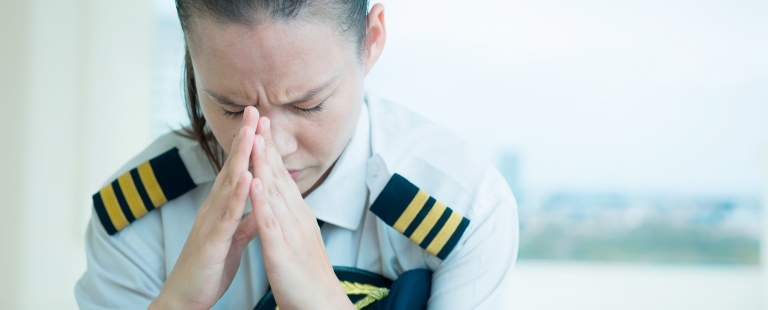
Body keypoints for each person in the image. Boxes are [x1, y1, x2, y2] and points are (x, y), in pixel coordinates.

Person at [74, 0, 519, 309]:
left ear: (372, 40)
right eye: (231, 108)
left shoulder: (465, 209)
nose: (272, 147)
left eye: (308, 104)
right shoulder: (137, 215)